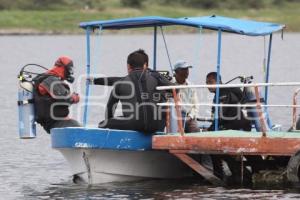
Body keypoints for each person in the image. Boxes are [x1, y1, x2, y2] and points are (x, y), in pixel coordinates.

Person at [97, 49, 174, 133]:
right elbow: (175, 90)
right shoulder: (155, 78)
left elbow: (110, 109)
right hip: (155, 125)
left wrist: (110, 123)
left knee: (103, 123)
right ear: (145, 65)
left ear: (128, 66)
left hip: (134, 124)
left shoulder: (121, 82)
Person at [33, 56, 81, 133]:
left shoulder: (50, 79)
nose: (70, 73)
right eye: (69, 70)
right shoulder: (50, 80)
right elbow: (65, 99)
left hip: (56, 123)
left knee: (76, 125)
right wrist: (75, 97)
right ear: (63, 68)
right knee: (80, 129)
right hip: (55, 123)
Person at [172, 60, 200, 133]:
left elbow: (195, 106)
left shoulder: (191, 86)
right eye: (184, 69)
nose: (187, 71)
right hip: (174, 117)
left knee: (195, 130)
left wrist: (190, 117)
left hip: (188, 117)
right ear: (176, 71)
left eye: (187, 69)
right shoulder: (169, 84)